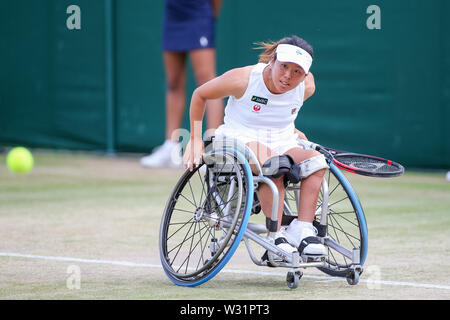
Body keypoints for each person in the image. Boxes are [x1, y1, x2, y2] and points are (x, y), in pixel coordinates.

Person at [183, 35, 328, 259]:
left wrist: (292, 129)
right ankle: (276, 236)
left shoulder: (307, 86)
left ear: (305, 75)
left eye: (297, 71)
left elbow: (283, 110)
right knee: (276, 165)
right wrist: (194, 138)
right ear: (272, 60)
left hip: (283, 141)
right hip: (237, 139)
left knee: (317, 161)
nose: (288, 75)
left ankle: (303, 229)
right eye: (284, 66)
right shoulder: (244, 79)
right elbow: (199, 94)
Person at [141, 0, 224, 168]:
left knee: (207, 83)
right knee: (173, 81)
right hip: (173, 14)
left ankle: (213, 149)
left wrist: (209, 13)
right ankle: (171, 147)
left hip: (199, 14)